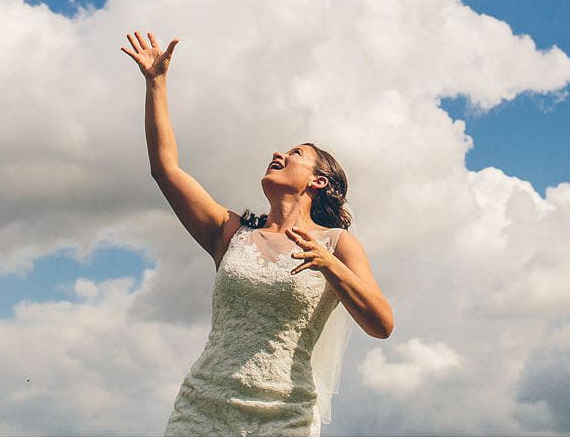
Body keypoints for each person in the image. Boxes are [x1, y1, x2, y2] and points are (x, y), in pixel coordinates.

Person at [122, 31, 394, 437]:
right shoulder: (229, 233)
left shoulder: (338, 244)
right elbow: (166, 170)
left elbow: (381, 323)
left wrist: (330, 266)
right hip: (203, 409)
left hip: (283, 417)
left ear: (318, 181)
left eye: (295, 153)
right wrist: (155, 84)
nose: (279, 155)